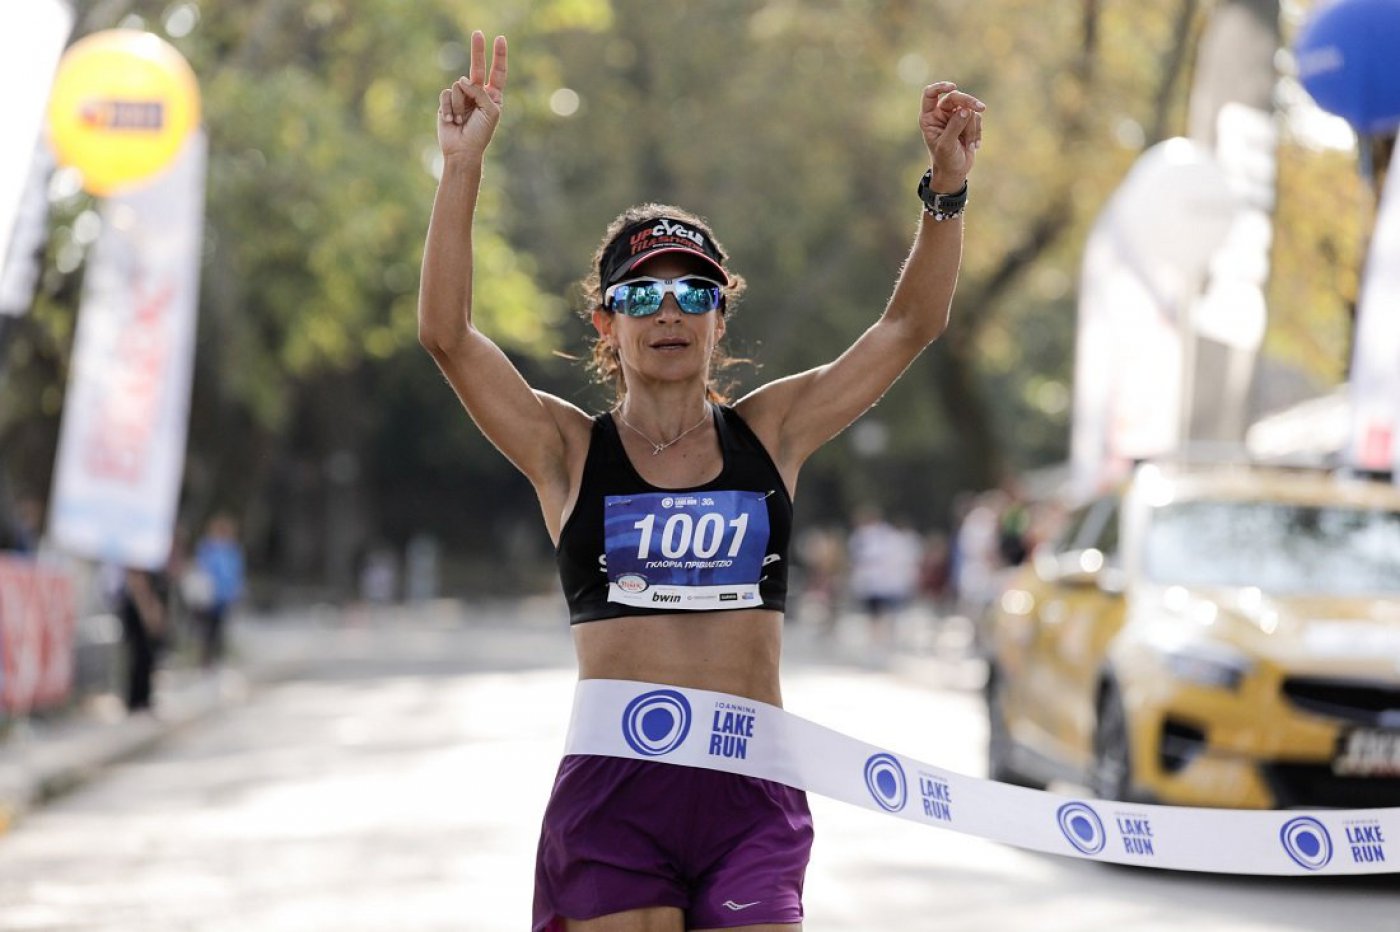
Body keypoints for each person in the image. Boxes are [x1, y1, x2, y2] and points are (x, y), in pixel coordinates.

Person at [420, 30, 982, 931]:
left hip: (749, 792)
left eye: (695, 293)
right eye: (642, 296)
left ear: (722, 318)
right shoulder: (567, 451)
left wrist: (945, 192)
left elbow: (907, 327)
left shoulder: (772, 433)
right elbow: (447, 336)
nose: (669, 312)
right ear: (606, 325)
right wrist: (461, 170)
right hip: (615, 796)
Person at [190, 513, 245, 668]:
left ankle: (217, 658)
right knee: (206, 629)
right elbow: (201, 569)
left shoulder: (232, 549)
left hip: (224, 596)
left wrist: (237, 590)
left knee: (220, 628)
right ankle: (205, 659)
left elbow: (237, 572)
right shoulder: (207, 547)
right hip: (208, 595)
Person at [117, 568, 167, 713]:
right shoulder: (137, 567)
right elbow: (139, 589)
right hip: (137, 617)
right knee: (139, 657)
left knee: (145, 659)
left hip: (142, 615)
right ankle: (137, 700)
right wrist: (148, 612)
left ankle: (143, 698)